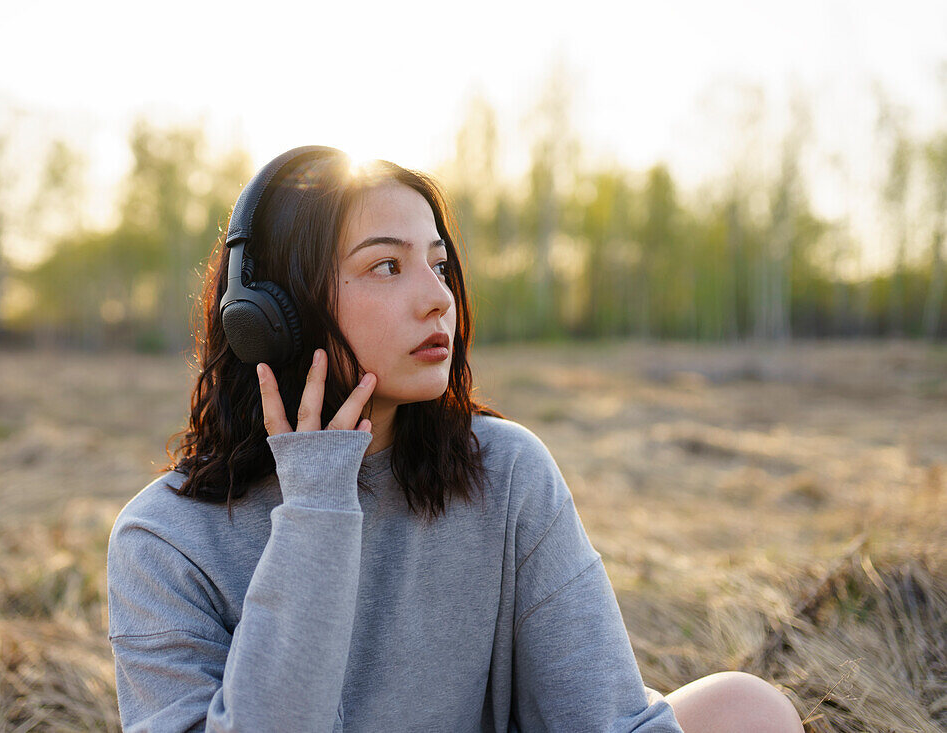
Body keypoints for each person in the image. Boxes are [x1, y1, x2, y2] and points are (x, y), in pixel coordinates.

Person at [106, 147, 806, 732]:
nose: (438, 296)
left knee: (749, 709)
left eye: (438, 264)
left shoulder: (505, 469)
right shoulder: (163, 540)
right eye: (387, 266)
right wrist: (317, 499)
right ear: (271, 316)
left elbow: (600, 717)